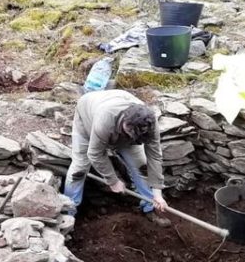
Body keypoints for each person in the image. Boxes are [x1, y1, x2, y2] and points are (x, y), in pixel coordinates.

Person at [63, 89, 171, 225]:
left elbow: (154, 156)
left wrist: (157, 192)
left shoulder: (148, 123)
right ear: (126, 125)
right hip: (88, 116)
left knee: (141, 166)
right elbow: (95, 153)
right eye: (131, 135)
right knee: (79, 168)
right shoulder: (104, 120)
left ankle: (149, 206)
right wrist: (112, 180)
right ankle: (68, 213)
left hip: (121, 118)